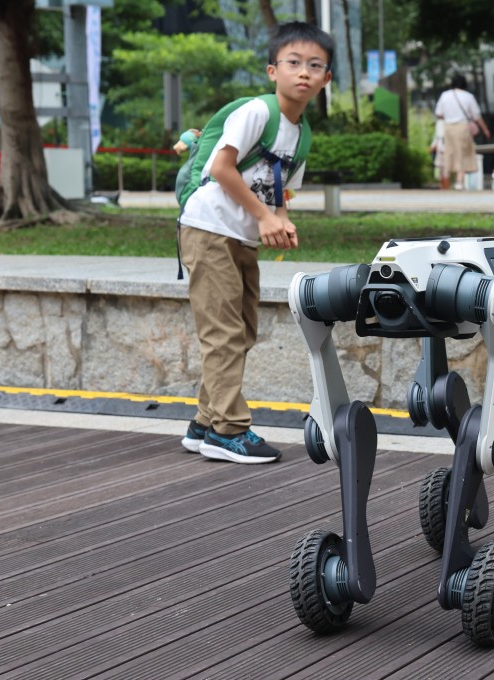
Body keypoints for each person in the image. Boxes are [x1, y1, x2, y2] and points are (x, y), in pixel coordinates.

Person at [177, 21, 334, 464]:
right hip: (209, 228)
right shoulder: (258, 113)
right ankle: (229, 430)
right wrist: (264, 215)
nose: (303, 73)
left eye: (314, 65)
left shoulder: (301, 134)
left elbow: (281, 191)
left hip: (240, 236)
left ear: (326, 79)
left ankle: (205, 423)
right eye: (293, 63)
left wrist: (280, 220)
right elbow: (221, 167)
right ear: (272, 71)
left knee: (242, 329)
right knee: (224, 331)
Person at [434, 74, 489, 190]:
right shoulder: (468, 96)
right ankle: (459, 181)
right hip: (462, 127)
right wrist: (485, 129)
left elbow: (438, 113)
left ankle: (447, 179)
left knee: (450, 153)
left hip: (448, 128)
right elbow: (477, 116)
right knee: (463, 153)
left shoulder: (445, 95)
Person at [428, 119, 447, 189]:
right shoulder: (438, 137)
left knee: (445, 173)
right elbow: (432, 147)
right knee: (440, 172)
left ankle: (445, 187)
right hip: (440, 154)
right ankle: (442, 187)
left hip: (445, 154)